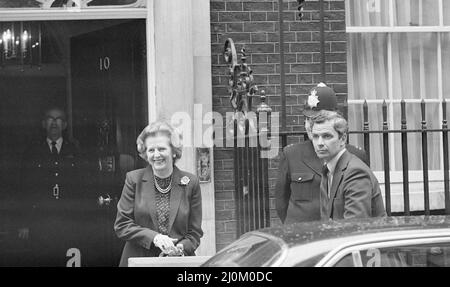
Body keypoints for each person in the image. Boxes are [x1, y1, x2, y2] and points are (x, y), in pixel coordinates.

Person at [275, 83, 369, 224]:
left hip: (338, 238)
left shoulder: (356, 156)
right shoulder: (291, 154)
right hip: (301, 237)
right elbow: (281, 203)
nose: (309, 125)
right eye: (307, 119)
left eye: (316, 119)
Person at [114, 120, 203, 267]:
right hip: (139, 260)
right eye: (151, 150)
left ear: (174, 151)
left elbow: (194, 233)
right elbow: (122, 225)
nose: (156, 155)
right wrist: (155, 238)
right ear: (145, 153)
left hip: (177, 263)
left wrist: (180, 248)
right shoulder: (133, 180)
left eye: (162, 149)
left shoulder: (191, 182)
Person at [18, 106, 88, 266]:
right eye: (50, 118)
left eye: (59, 119)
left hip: (70, 220)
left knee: (69, 260)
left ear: (64, 125)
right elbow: (24, 189)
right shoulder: (32, 152)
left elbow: (84, 187)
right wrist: (24, 222)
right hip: (40, 219)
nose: (54, 123)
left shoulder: (76, 151)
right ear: (44, 123)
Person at [310, 110, 386, 220]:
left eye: (327, 136)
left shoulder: (355, 172)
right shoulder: (328, 170)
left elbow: (354, 226)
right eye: (316, 136)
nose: (320, 143)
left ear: (343, 139)